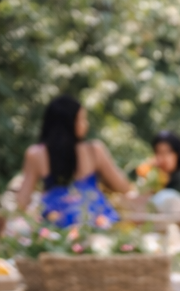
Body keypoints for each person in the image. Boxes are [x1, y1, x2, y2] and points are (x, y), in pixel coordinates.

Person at [16, 95, 129, 226]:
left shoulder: (36, 153)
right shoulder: (94, 150)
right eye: (82, 119)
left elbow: (22, 201)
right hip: (97, 220)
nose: (86, 124)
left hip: (55, 225)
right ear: (69, 123)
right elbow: (122, 187)